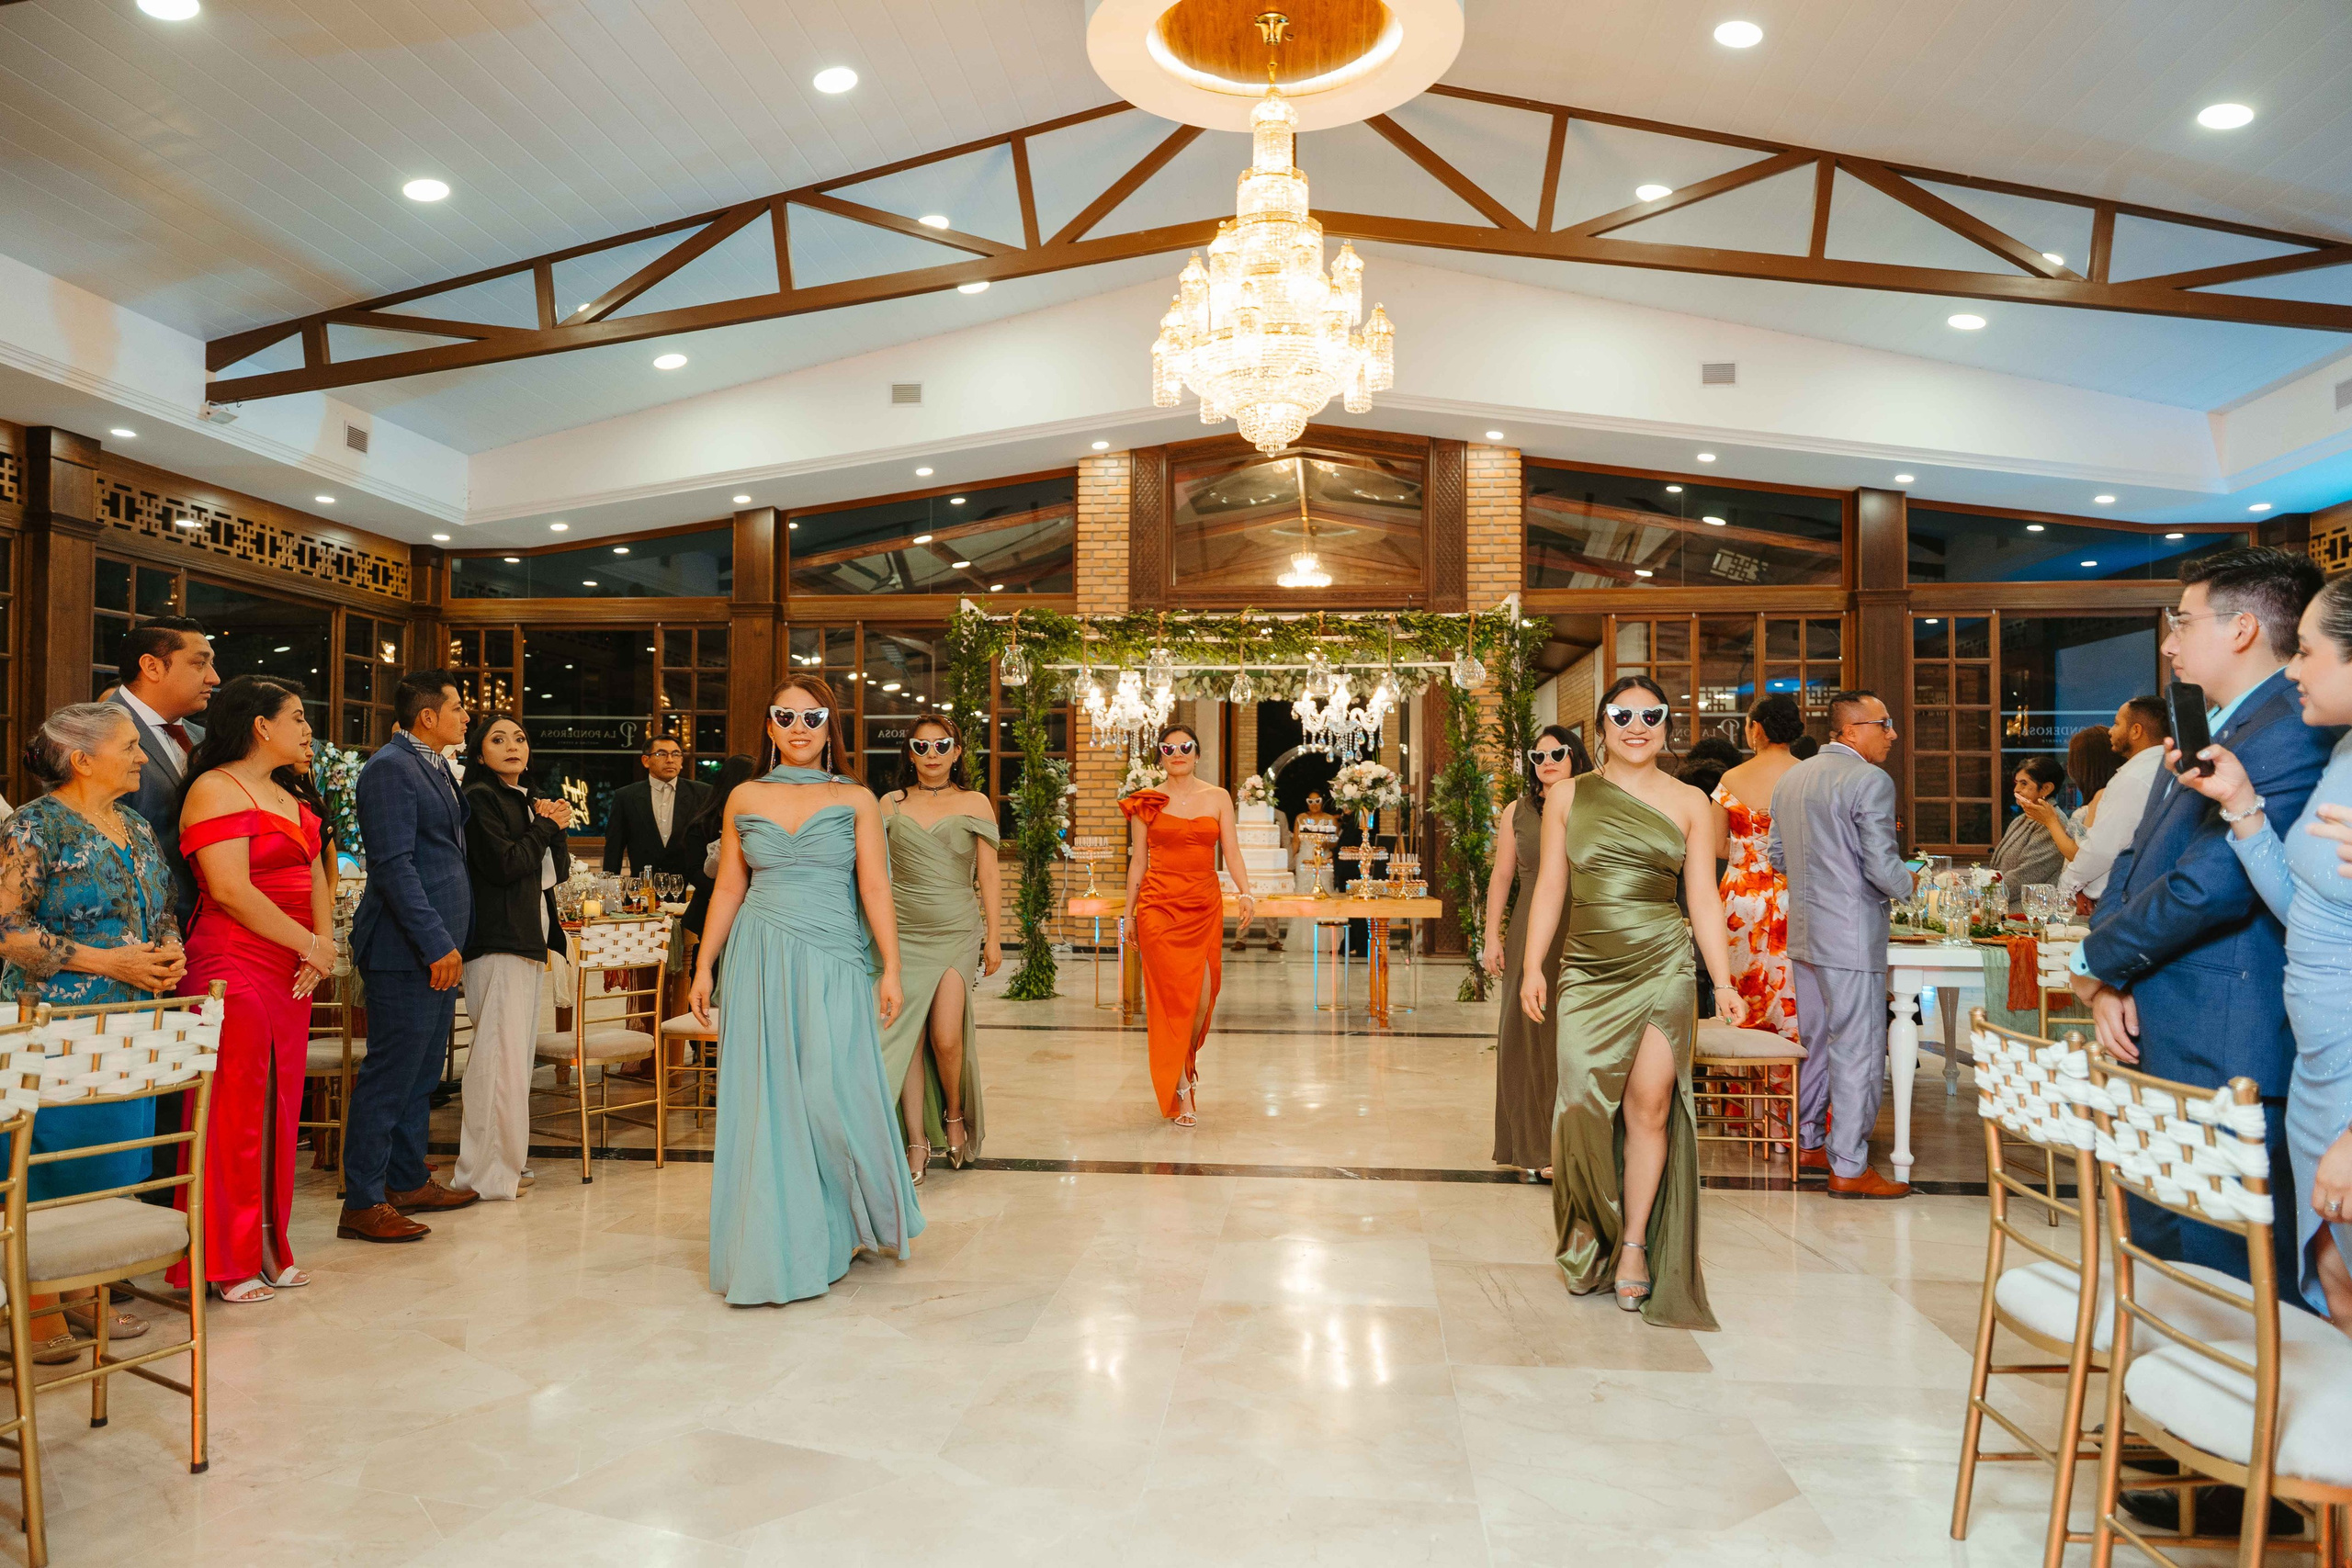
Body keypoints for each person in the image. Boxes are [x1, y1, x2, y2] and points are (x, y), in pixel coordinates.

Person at [2070, 547, 2335, 1298]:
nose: (2169, 642)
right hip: (2165, 1025)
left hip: (2225, 1041)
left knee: (2225, 1288)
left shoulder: (2290, 728)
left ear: (2242, 627)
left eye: (2183, 622)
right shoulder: (2214, 723)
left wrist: (2095, 961)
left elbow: (2210, 887)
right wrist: (2110, 974)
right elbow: (2135, 857)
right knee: (2163, 1269)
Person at [1515, 678, 1740, 1328]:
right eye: (1622, 715)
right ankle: (1592, 1233)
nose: (1636, 725)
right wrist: (1532, 965)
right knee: (1579, 1106)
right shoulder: (1567, 796)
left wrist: (1724, 981)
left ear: (1667, 725)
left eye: (1650, 714)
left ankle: (1636, 1242)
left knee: (1650, 1106)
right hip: (1587, 968)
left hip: (1664, 964)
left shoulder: (1692, 802)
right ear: (1602, 726)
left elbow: (1703, 897)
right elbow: (1551, 885)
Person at [690, 674, 921, 1303]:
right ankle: (782, 1239)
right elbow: (729, 886)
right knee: (767, 1099)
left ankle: (849, 1215)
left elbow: (874, 886)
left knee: (830, 1092)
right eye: (786, 716)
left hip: (832, 956)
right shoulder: (744, 796)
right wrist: (705, 965)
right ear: (769, 726)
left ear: (829, 728)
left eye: (812, 717)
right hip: (759, 954)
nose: (799, 727)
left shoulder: (856, 798)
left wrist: (892, 966)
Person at [2170, 575, 2352, 1330]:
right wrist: (2242, 805)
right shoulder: (2342, 752)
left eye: (2306, 651)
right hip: (2319, 1069)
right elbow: (2307, 912)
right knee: (2334, 1281)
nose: (2293, 669)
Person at [0, 704, 187, 1359]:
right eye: (129, 746)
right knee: (47, 1161)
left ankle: (83, 1288)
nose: (141, 757)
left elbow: (163, 909)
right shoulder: (34, 825)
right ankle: (33, 1302)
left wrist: (169, 951)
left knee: (113, 1159)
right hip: (53, 1026)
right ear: (82, 759)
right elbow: (9, 931)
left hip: (131, 1025)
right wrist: (110, 963)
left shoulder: (135, 824)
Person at [165, 678, 333, 1303]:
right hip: (232, 959)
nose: (308, 730)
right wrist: (308, 943)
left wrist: (322, 944)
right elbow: (231, 889)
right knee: (232, 1112)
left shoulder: (288, 790)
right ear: (262, 726)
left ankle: (269, 1245)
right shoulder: (214, 787)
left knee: (280, 1109)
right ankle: (224, 1258)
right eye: (298, 717)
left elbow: (316, 874)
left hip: (293, 962)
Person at [339, 671, 478, 1244]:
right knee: (391, 1075)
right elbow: (394, 864)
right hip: (406, 948)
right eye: (458, 707)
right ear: (428, 716)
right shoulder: (390, 768)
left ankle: (406, 1179)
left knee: (422, 1075)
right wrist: (435, 941)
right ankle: (363, 1200)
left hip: (436, 945)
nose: (466, 716)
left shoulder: (433, 764)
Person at [1768, 690, 1917, 1199]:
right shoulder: (1870, 780)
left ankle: (1810, 1141)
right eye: (1884, 723)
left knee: (1816, 1041)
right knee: (1858, 1046)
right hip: (1851, 934)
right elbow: (1882, 866)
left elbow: (1778, 856)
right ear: (1851, 730)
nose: (1892, 734)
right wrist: (1911, 883)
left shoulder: (1792, 777)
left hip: (1805, 931)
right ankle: (1850, 1165)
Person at [876, 716, 1000, 1183]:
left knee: (946, 1037)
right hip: (901, 933)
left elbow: (988, 873)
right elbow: (874, 873)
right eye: (922, 745)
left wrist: (994, 935)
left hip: (955, 930)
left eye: (941, 745)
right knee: (907, 1036)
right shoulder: (890, 803)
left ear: (957, 752)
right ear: (909, 752)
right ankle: (916, 1141)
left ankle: (953, 1112)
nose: (932, 754)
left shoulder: (975, 802)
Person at [455, 716, 571, 1202]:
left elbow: (553, 872)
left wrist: (553, 826)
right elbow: (505, 866)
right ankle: (484, 1175)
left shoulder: (523, 799)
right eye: (498, 739)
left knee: (515, 1062)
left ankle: (508, 1163)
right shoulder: (479, 797)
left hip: (527, 938)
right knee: (497, 1062)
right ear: (480, 753)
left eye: (520, 739)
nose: (512, 746)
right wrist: (545, 825)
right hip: (497, 938)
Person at [1123, 723, 1255, 1128]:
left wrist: (1246, 892)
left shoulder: (1218, 797)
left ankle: (1186, 1062)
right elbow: (1138, 861)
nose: (1177, 754)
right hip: (1158, 907)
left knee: (1200, 999)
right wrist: (1128, 914)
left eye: (1185, 747)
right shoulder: (1147, 801)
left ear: (1197, 753)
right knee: (1168, 1001)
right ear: (1159, 755)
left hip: (1202, 905)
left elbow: (1231, 851)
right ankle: (1181, 1084)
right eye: (1168, 748)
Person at [1483, 724, 1589, 1179]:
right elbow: (1502, 876)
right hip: (1530, 927)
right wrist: (1491, 936)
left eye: (1557, 754)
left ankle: (1579, 1144)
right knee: (1528, 1033)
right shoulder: (1517, 811)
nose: (1547, 762)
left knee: (1575, 1032)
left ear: (1575, 757)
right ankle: (1536, 1146)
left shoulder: (1593, 804)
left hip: (1584, 924)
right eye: (1538, 756)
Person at [107, 615, 220, 924]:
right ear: (152, 667)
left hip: (211, 923)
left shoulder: (203, 739)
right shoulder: (96, 734)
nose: (214, 677)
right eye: (200, 664)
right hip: (138, 926)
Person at [1713, 694, 1807, 1043]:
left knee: (1740, 989)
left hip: (1741, 898)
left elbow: (1716, 844)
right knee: (1792, 994)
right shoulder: (1808, 777)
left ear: (1756, 729)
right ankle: (1791, 1072)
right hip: (1794, 896)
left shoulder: (1731, 778)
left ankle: (1739, 1071)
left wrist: (1747, 853)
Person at [2058, 697, 2169, 906]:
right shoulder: (2171, 767)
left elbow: (2103, 847)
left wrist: (2068, 886)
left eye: (2117, 724)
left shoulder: (2134, 778)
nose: (2111, 731)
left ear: (2136, 731)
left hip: (2130, 898)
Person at [603, 733, 711, 879]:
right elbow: (614, 848)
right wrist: (609, 886)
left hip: (689, 886)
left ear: (681, 760)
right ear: (646, 760)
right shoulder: (626, 796)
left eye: (676, 754)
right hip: (643, 886)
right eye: (662, 754)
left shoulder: (702, 793)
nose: (670, 760)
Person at [682, 754, 758, 938]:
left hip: (753, 915)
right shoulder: (703, 824)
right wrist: (735, 895)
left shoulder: (761, 819)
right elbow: (695, 873)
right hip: (709, 913)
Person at [1989, 756, 2069, 887]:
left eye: (2024, 783)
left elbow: (2026, 876)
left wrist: (1986, 891)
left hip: (2030, 900)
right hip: (2003, 897)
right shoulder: (2021, 819)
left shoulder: (2053, 822)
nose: (2016, 790)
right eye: (2017, 783)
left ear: (2046, 788)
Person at [1286, 788, 1341, 957]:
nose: (1314, 805)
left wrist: (1326, 843)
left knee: (1325, 893)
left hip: (1323, 859)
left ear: (1322, 802)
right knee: (1304, 894)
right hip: (1305, 858)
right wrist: (1290, 861)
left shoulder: (1330, 819)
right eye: (1311, 801)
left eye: (1317, 801)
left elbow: (1334, 841)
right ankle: (1303, 940)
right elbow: (1296, 841)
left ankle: (1326, 940)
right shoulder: (1301, 818)